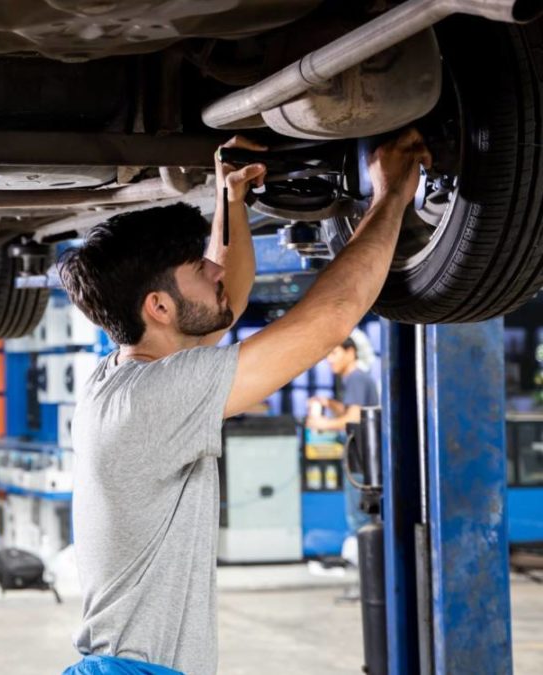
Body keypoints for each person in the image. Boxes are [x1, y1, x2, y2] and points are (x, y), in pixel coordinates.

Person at [57, 130, 430, 675]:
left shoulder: (126, 376)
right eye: (197, 268)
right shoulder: (152, 401)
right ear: (158, 306)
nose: (213, 270)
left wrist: (230, 199)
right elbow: (326, 323)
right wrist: (392, 194)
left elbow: (222, 295)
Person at [307, 335, 380, 535]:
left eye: (334, 353)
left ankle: (362, 561)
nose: (329, 359)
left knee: (360, 519)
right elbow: (351, 412)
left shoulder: (356, 378)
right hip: (363, 461)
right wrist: (329, 404)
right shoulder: (357, 379)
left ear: (350, 352)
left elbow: (354, 420)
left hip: (360, 461)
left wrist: (323, 423)